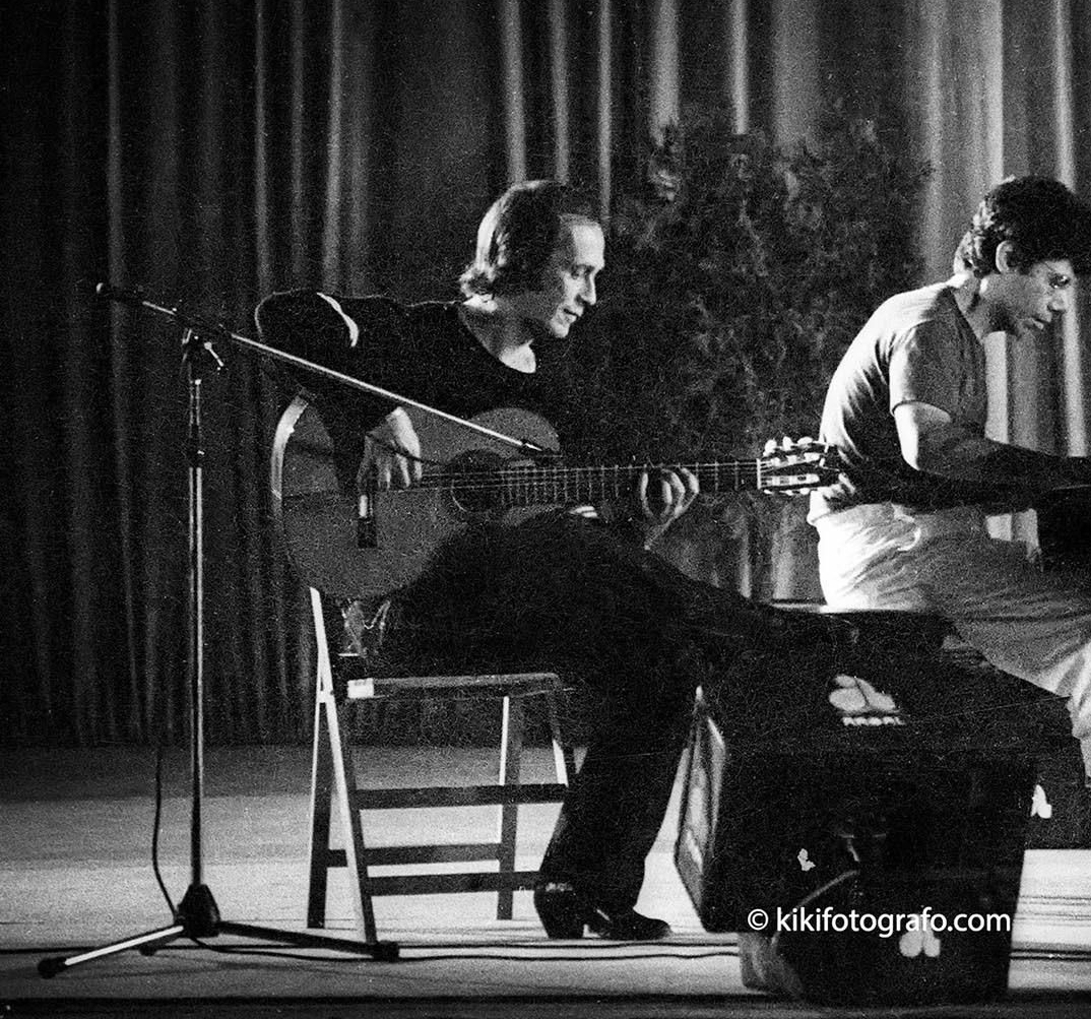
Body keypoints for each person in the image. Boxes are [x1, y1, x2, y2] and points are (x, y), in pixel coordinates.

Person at [257, 179, 834, 940]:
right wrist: (378, 413)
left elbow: (591, 565)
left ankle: (580, 886)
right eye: (577, 271)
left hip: (517, 611)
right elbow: (282, 316)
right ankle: (781, 637)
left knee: (660, 657)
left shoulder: (565, 393)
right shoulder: (413, 338)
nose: (591, 295)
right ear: (518, 259)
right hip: (408, 614)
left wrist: (647, 523)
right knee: (563, 552)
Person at [809, 175, 1091, 904]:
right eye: (1054, 281)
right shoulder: (928, 323)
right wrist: (1075, 477)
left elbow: (952, 471)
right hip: (894, 554)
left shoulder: (948, 326)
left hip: (921, 545)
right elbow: (930, 448)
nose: (1061, 303)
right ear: (1006, 258)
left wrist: (1080, 484)